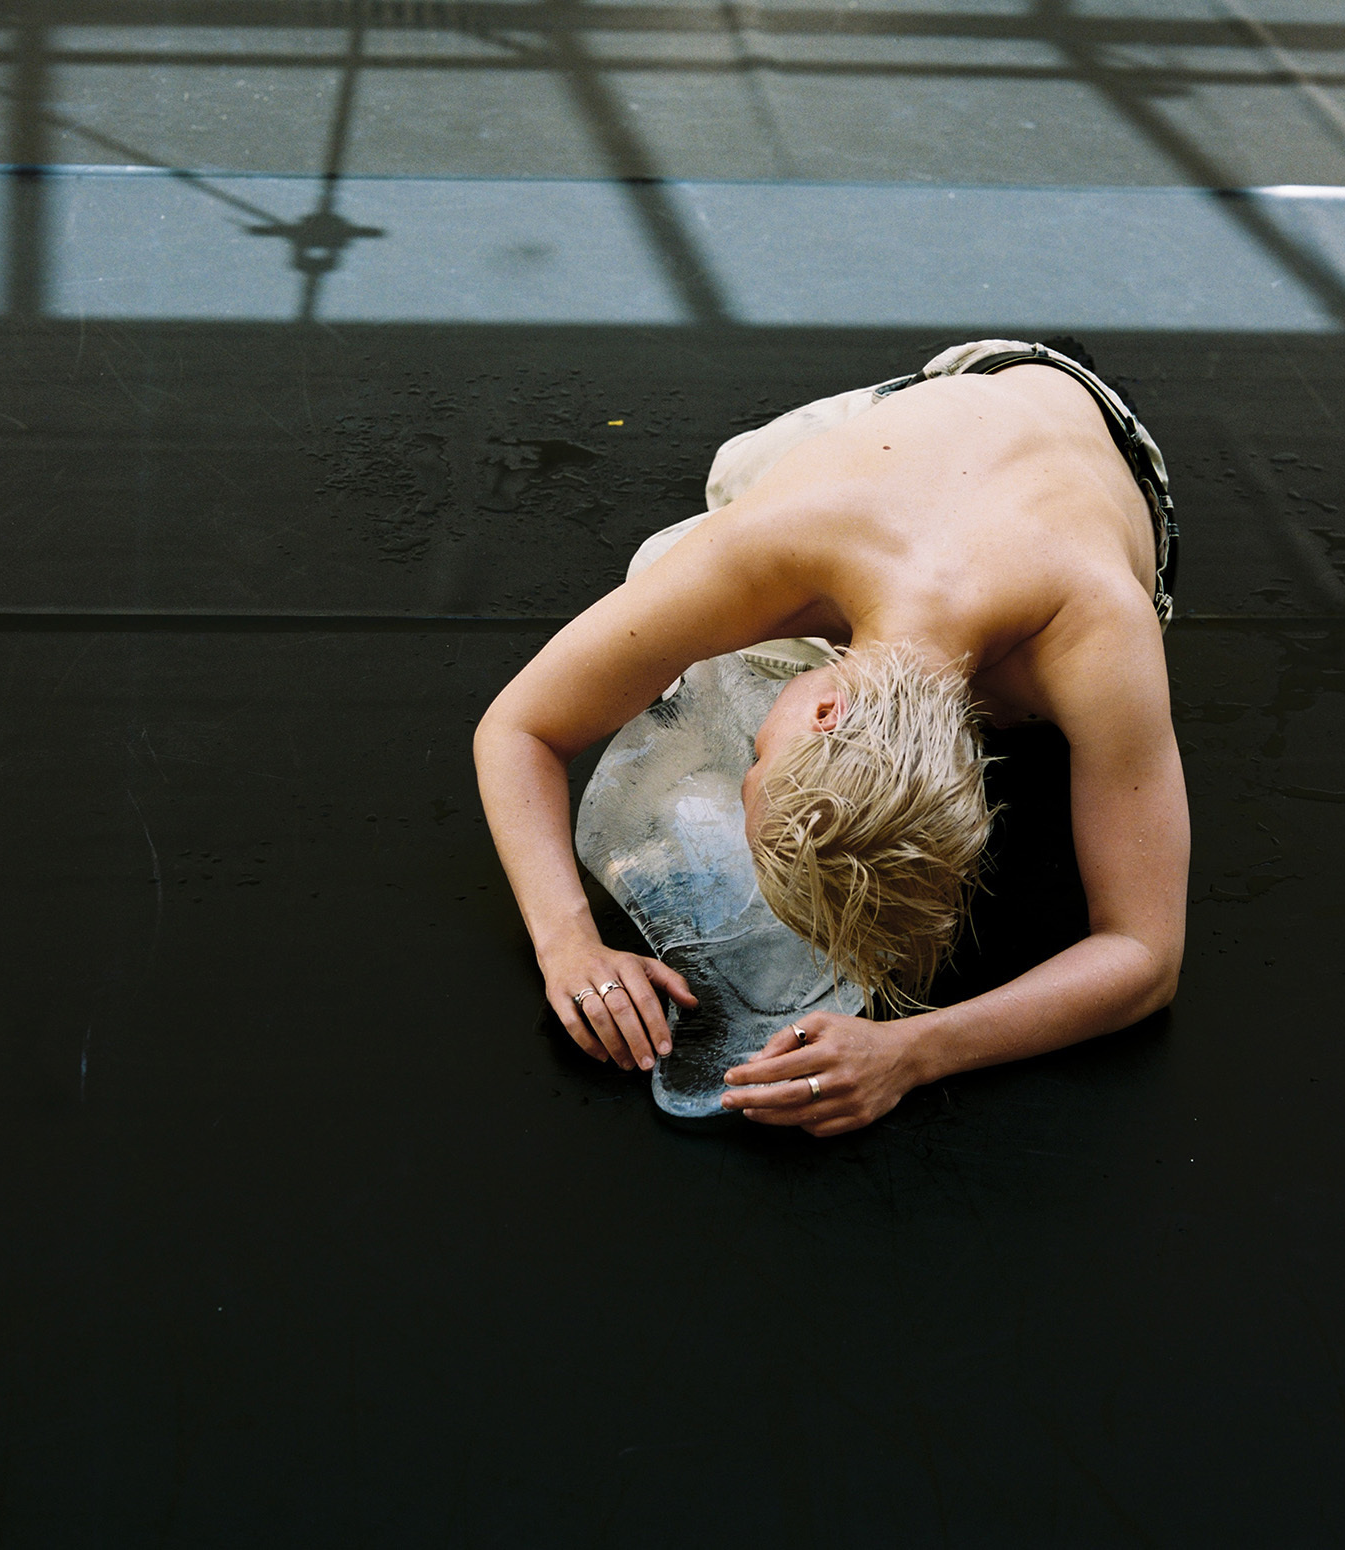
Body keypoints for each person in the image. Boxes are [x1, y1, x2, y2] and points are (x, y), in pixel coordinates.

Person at [474, 340, 1190, 1136]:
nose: (749, 763)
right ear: (824, 710)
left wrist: (917, 1049)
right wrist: (567, 944)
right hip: (964, 392)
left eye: (752, 764)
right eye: (758, 763)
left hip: (1099, 460)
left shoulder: (1097, 638)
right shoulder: (784, 537)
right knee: (691, 530)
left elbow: (1146, 956)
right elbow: (519, 726)